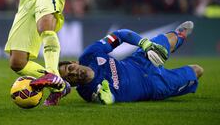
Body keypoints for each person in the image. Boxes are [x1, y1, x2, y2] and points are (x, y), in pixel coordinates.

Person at [58, 21, 204, 104]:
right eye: (70, 77)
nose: (74, 73)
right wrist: (107, 99)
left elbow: (120, 35)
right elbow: (107, 99)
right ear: (73, 84)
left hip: (139, 60)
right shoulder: (87, 91)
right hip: (154, 85)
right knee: (197, 70)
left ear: (73, 62)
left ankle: (180, 36)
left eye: (70, 68)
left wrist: (143, 43)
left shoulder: (91, 54)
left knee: (169, 38)